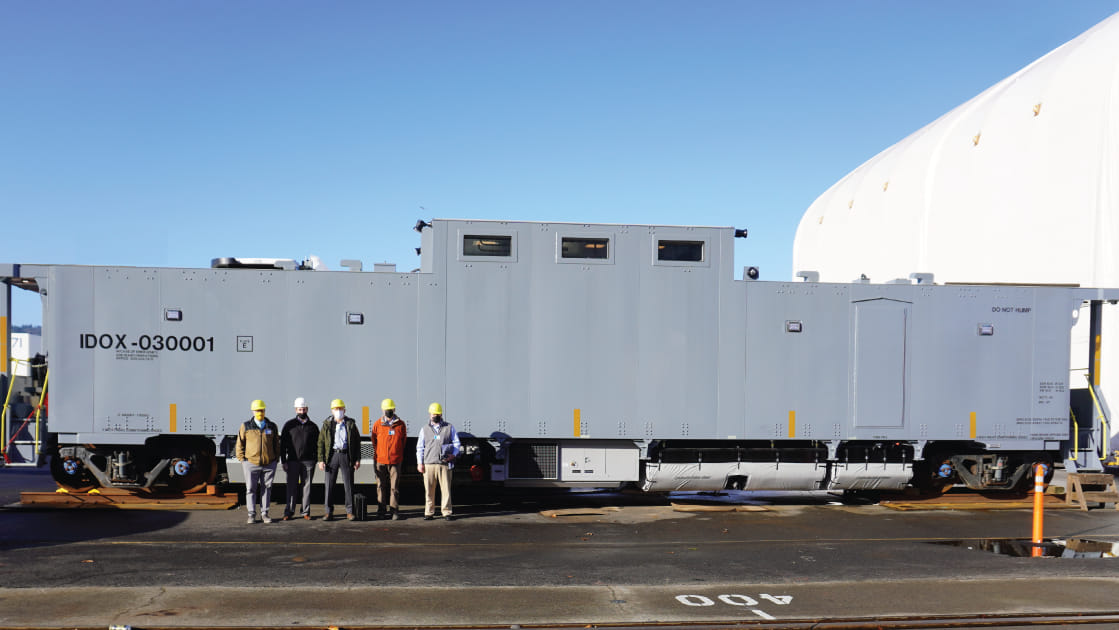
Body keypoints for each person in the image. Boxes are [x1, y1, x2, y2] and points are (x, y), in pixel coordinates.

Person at [236, 399, 281, 524]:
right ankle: (251, 515)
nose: (259, 412)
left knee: (267, 488)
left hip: (269, 463)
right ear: (253, 411)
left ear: (265, 411)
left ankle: (264, 514)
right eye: (257, 410)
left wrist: (276, 459)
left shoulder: (271, 426)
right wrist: (242, 460)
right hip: (251, 463)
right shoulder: (246, 426)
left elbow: (276, 444)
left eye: (261, 410)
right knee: (250, 489)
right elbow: (240, 443)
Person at [317, 398, 361, 520]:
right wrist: (321, 460)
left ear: (344, 410)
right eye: (336, 409)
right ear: (332, 410)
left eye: (340, 409)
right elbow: (320, 443)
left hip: (346, 455)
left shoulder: (351, 424)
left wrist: (357, 459)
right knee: (329, 485)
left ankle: (350, 512)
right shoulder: (327, 425)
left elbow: (357, 443)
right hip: (332, 456)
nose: (338, 411)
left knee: (348, 485)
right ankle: (328, 511)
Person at [416, 402, 460, 521]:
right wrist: (420, 463)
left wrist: (453, 454)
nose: (435, 415)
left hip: (444, 464)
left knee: (446, 489)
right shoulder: (424, 429)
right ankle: (429, 512)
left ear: (441, 414)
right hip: (429, 463)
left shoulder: (449, 427)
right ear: (430, 414)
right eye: (433, 413)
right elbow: (420, 447)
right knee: (429, 490)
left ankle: (446, 512)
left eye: (437, 414)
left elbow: (457, 443)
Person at [280, 396, 319, 520]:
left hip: (308, 462)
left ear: (307, 409)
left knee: (306, 487)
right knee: (291, 487)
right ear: (296, 410)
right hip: (292, 461)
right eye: (299, 409)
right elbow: (283, 445)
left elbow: (318, 444)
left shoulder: (313, 427)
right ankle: (289, 512)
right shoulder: (289, 425)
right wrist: (284, 460)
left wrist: (315, 459)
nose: (302, 412)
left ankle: (305, 512)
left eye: (304, 409)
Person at [371, 398, 407, 520]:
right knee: (380, 485)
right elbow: (374, 441)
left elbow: (403, 442)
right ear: (382, 410)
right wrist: (379, 454)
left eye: (390, 409)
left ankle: (394, 510)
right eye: (386, 409)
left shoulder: (401, 425)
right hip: (380, 460)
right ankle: (381, 510)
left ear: (394, 409)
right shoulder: (377, 424)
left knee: (394, 487)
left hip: (395, 460)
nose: (388, 411)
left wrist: (397, 454)